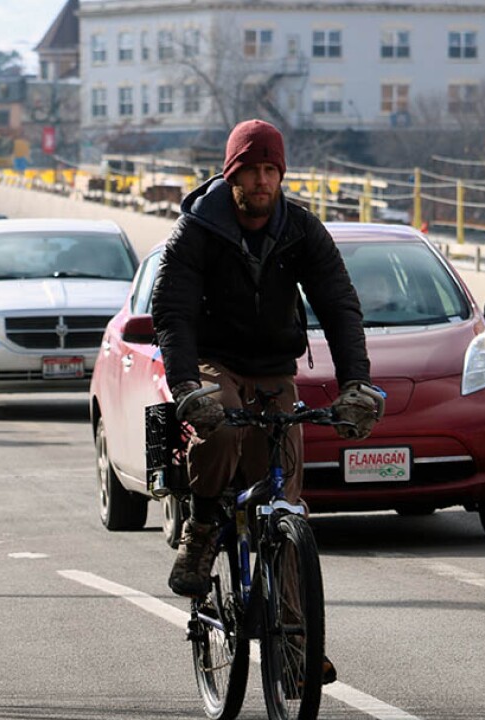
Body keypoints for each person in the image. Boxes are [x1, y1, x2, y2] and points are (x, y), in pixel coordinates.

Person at [151, 118, 384, 599]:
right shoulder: (195, 230)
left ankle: (297, 646)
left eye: (270, 169)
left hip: (276, 370)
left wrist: (355, 383)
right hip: (215, 362)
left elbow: (340, 305)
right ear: (232, 174)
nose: (261, 180)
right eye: (251, 169)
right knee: (224, 427)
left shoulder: (302, 230)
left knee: (286, 509)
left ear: (281, 175)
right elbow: (172, 313)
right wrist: (186, 390)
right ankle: (201, 527)